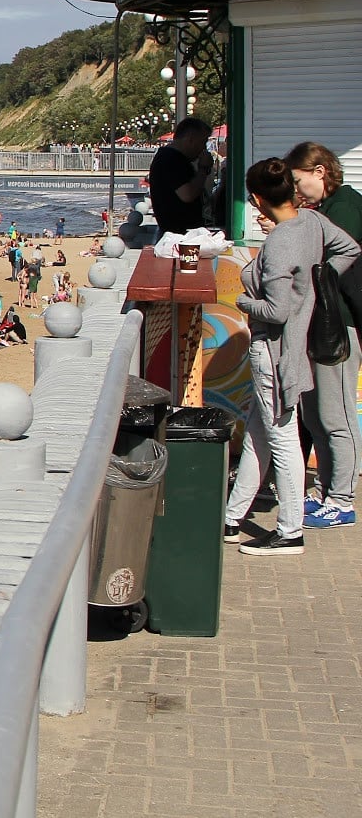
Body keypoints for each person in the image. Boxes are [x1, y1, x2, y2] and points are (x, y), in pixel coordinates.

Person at [224, 158, 360, 554]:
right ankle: (233, 517)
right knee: (259, 434)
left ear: (256, 199)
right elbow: (349, 248)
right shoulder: (313, 223)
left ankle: (290, 530)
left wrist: (244, 302)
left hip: (274, 350)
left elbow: (278, 310)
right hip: (296, 347)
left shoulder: (283, 240)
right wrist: (318, 283)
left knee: (281, 438)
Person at [286, 142, 362, 528]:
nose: (297, 190)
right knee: (316, 413)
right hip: (324, 325)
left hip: (340, 326)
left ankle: (343, 499)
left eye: (299, 181)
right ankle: (329, 489)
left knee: (337, 415)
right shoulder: (327, 209)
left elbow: (332, 268)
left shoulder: (345, 207)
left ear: (320, 172)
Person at [148, 117, 215, 235]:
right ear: (191, 139)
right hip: (179, 233)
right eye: (203, 142)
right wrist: (203, 169)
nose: (203, 149)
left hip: (180, 231)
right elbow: (187, 194)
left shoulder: (172, 158)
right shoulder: (171, 160)